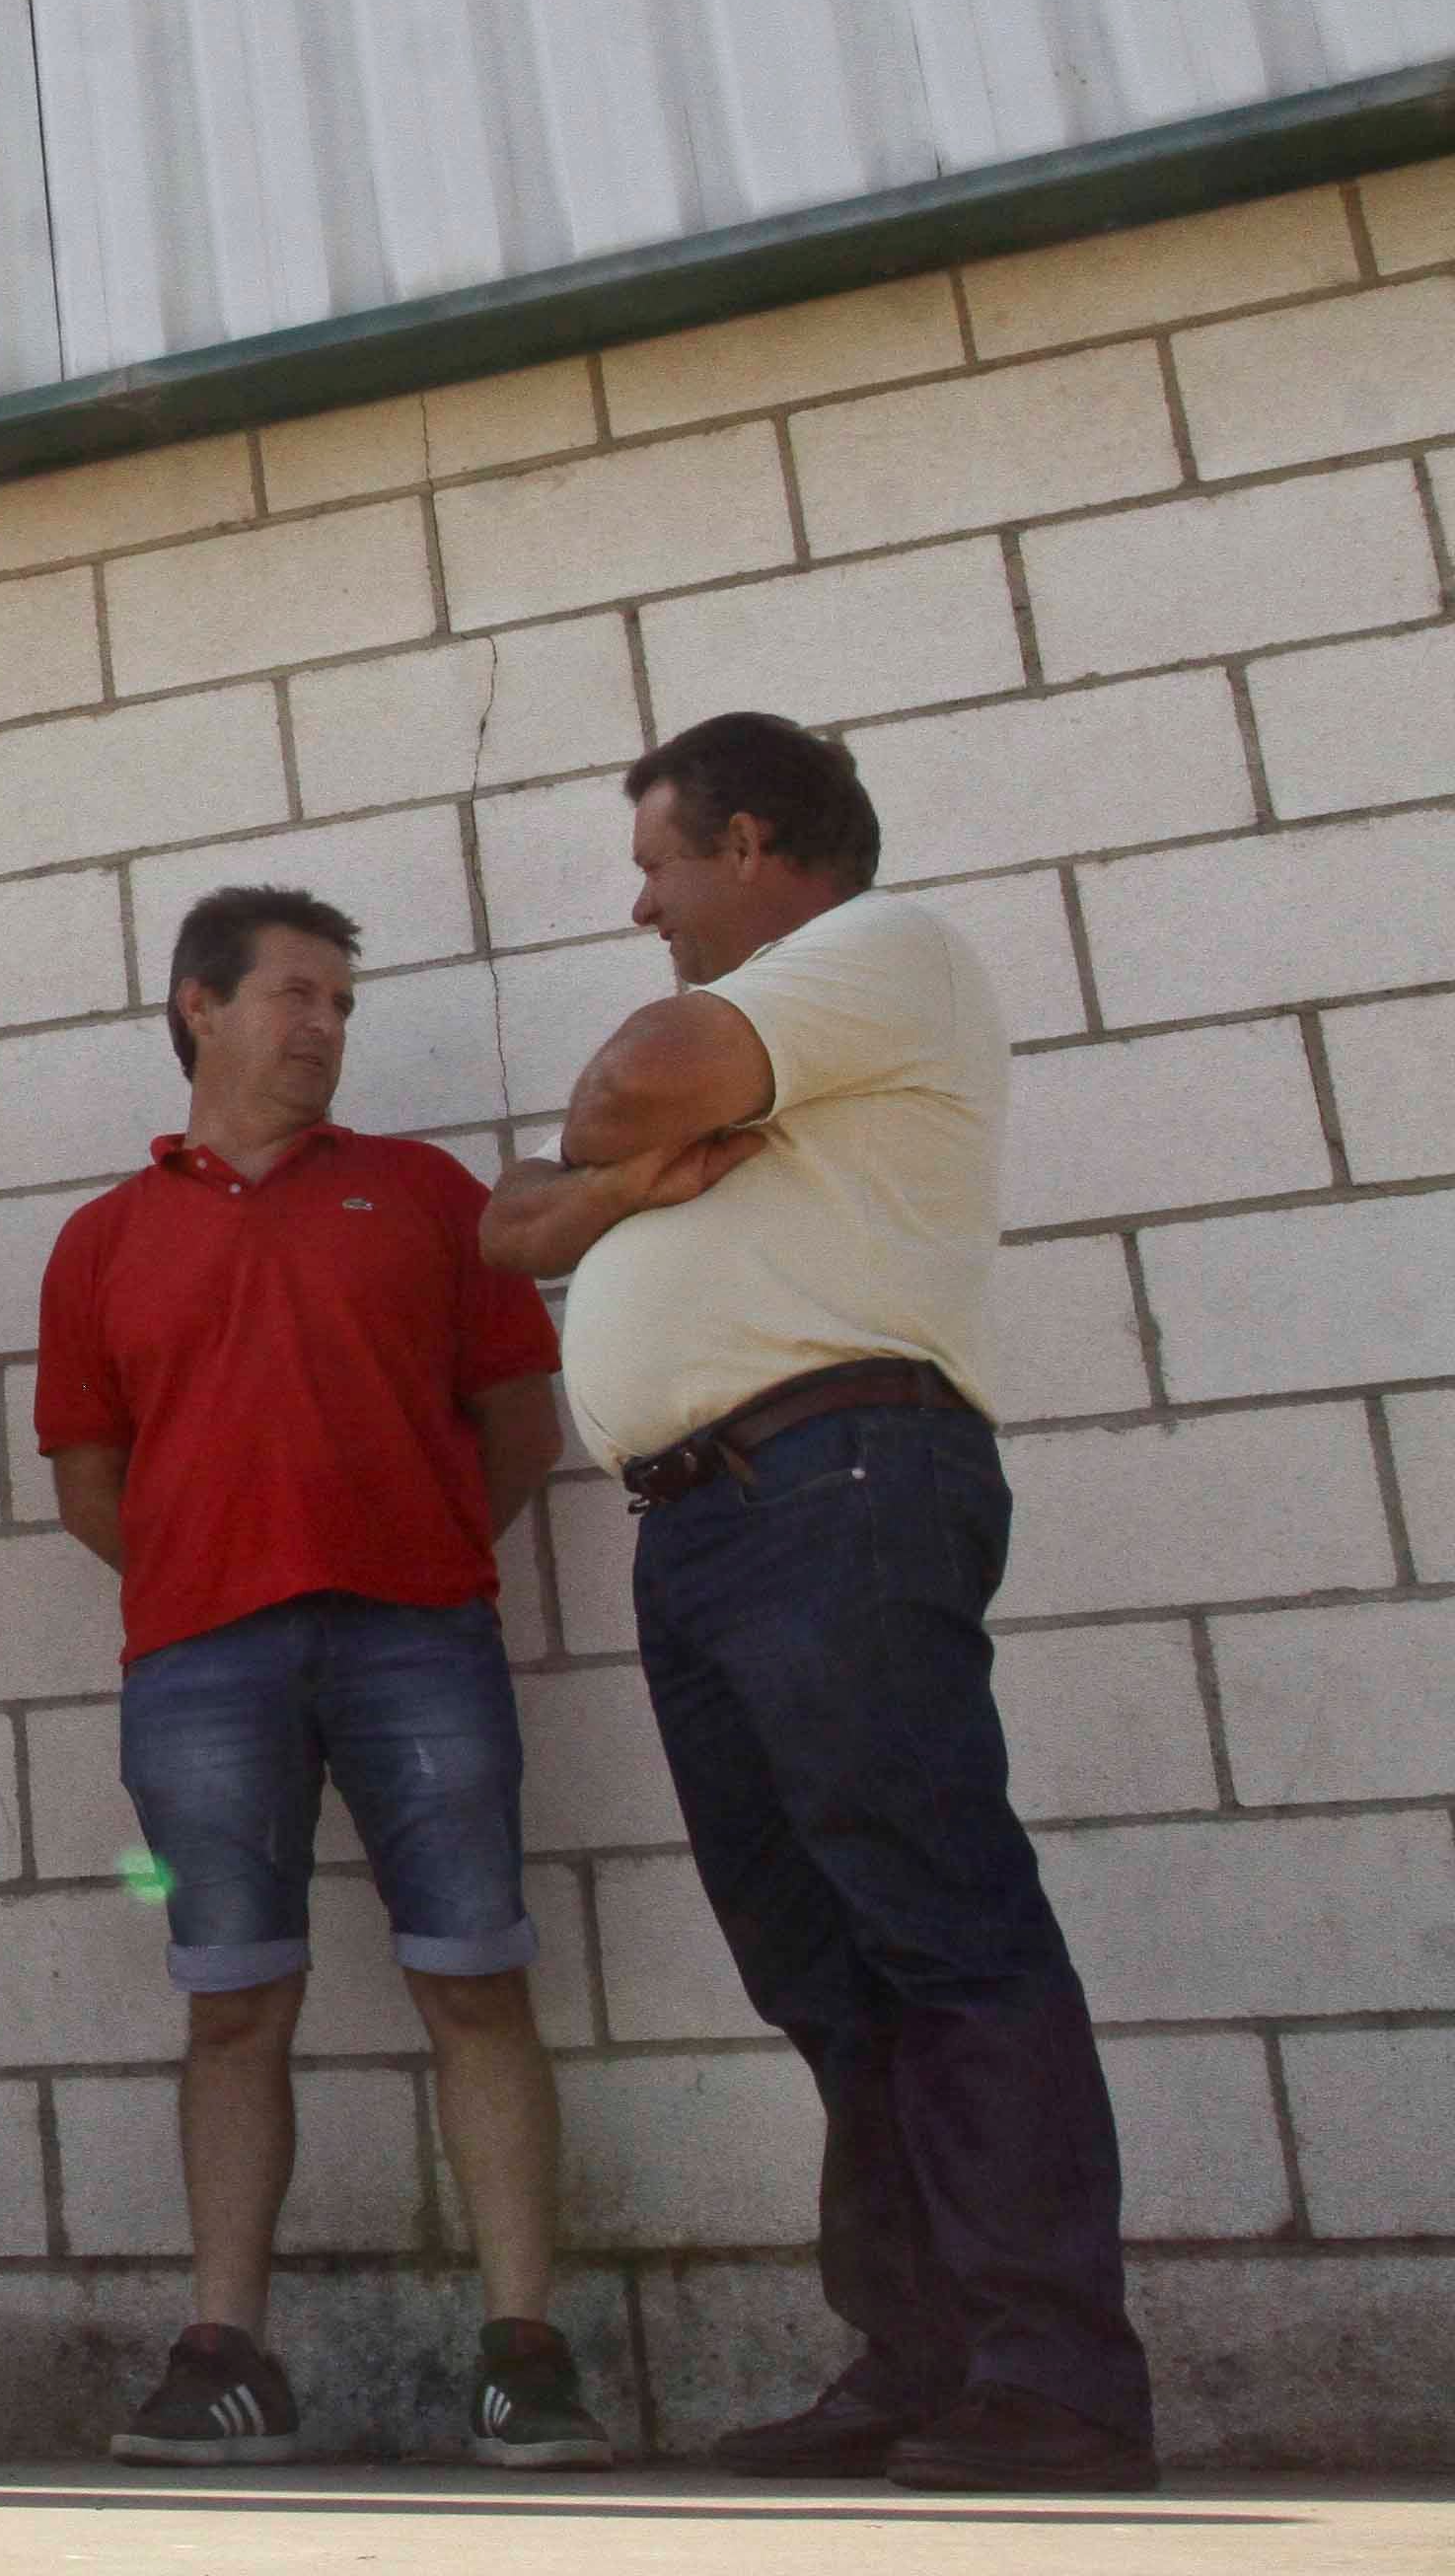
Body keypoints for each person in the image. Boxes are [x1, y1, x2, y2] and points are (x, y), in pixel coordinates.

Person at [481, 712, 1155, 2495]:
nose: (641, 905)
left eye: (657, 863)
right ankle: (923, 2358)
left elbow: (622, 1087)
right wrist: (630, 1182)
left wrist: (611, 1157)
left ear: (755, 841)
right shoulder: (767, 1044)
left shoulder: (877, 952)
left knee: (937, 1924)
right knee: (819, 1961)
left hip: (837, 1479)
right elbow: (503, 1227)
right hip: (712, 1522)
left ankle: (1057, 2377)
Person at [34, 888, 603, 2469]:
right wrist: (222, 1573)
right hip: (198, 1667)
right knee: (231, 2008)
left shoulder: (426, 1196)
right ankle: (224, 2356)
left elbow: (521, 1428)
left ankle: (525, 2355)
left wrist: (405, 1551)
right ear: (198, 1007)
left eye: (342, 1003)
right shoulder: (101, 1242)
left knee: (477, 1978)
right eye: (296, 995)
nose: (327, 1027)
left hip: (421, 1638)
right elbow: (94, 1486)